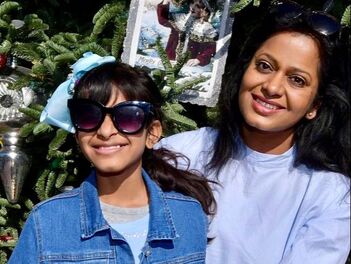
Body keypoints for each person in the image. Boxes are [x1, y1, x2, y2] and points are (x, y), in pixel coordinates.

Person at [158, 1, 351, 263]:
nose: (272, 87)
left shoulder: (331, 194)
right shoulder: (178, 153)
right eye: (265, 66)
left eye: (297, 80)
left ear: (314, 106)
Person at [9, 52, 215, 263]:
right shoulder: (47, 221)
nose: (105, 131)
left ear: (152, 133)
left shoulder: (189, 216)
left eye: (127, 116)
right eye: (88, 115)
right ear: (78, 134)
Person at [157, 0, 217, 66]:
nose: (192, 7)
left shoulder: (207, 28)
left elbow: (212, 48)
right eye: (191, 4)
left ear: (204, 10)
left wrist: (199, 59)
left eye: (196, 6)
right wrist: (166, 1)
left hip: (189, 67)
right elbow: (162, 19)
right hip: (169, 61)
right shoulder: (180, 18)